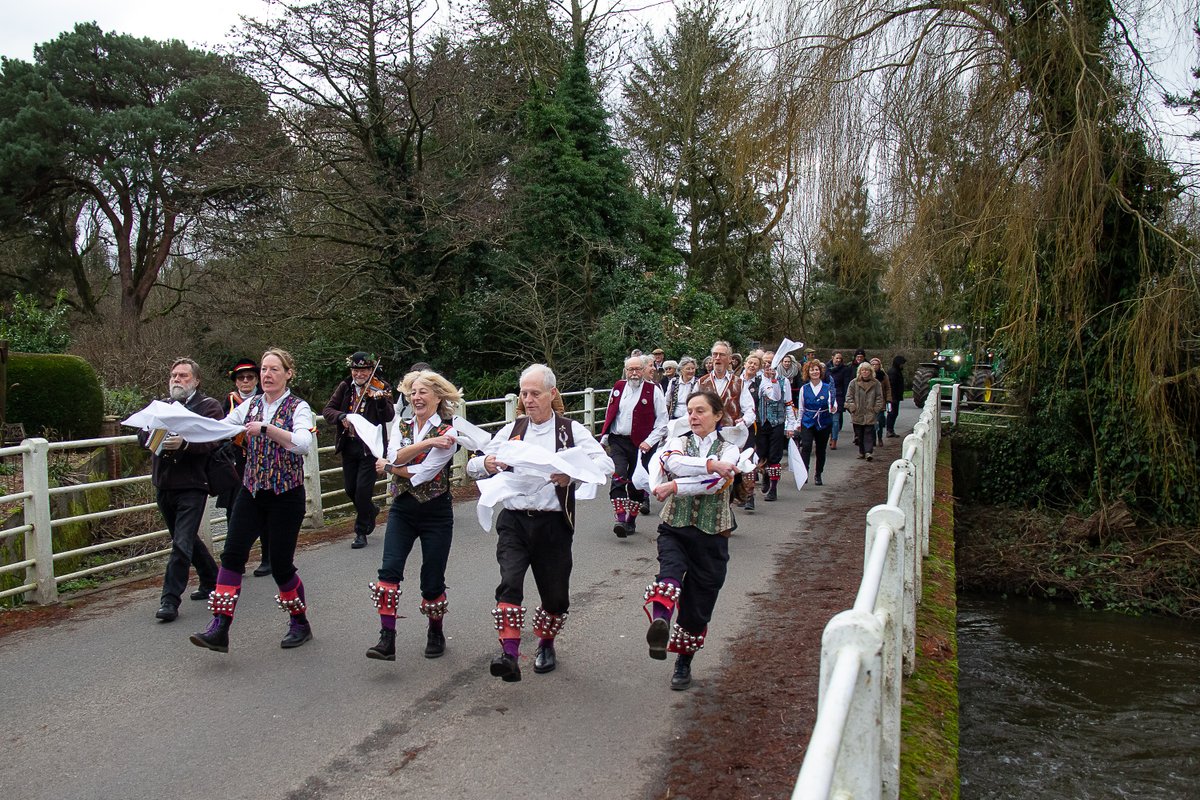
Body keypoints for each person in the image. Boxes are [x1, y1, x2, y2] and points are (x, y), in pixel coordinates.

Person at [468, 364, 614, 682]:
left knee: (556, 598)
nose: (528, 399)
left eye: (535, 393)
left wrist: (571, 473)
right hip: (514, 522)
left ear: (552, 394)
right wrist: (487, 462)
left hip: (553, 525)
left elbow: (605, 462)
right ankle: (508, 654)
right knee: (509, 583)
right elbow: (473, 465)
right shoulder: (512, 430)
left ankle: (546, 643)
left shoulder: (570, 431)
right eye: (524, 393)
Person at [190, 348, 317, 653]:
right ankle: (219, 627)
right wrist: (182, 425)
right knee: (232, 555)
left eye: (274, 369)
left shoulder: (298, 407)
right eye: (263, 369)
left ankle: (299, 622)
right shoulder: (250, 405)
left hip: (286, 495)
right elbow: (221, 428)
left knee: (282, 566)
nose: (267, 375)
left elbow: (302, 444)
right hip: (252, 490)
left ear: (288, 374)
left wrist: (268, 429)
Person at [643, 389, 740, 691]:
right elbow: (677, 464)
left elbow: (714, 485)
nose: (693, 416)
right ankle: (660, 623)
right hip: (675, 527)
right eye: (690, 411)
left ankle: (683, 661)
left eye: (700, 411)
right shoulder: (676, 443)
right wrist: (710, 465)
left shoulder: (731, 450)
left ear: (717, 415)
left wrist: (674, 486)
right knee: (669, 576)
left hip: (712, 536)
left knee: (698, 606)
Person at [366, 370, 461, 661]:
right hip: (403, 509)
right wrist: (427, 444)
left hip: (436, 512)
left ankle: (435, 630)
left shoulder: (450, 431)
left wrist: (392, 466)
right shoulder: (402, 425)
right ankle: (387, 639)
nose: (416, 398)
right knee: (388, 572)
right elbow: (394, 456)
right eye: (413, 393)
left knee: (432, 580)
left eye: (423, 392)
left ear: (438, 396)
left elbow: (423, 474)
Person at [140, 358, 222, 623]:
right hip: (164, 483)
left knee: (181, 543)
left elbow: (213, 439)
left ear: (196, 381)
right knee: (183, 538)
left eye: (184, 376)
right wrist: (155, 437)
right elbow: (141, 435)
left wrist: (185, 444)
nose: (177, 379)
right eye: (174, 375)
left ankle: (170, 599)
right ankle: (212, 578)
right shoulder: (160, 407)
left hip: (193, 484)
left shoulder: (208, 406)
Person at [322, 351, 396, 549]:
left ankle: (361, 531)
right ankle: (370, 510)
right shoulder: (345, 387)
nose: (359, 374)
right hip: (350, 445)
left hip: (370, 447)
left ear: (371, 370)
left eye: (363, 370)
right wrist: (342, 417)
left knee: (363, 491)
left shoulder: (382, 387)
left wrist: (380, 402)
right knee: (350, 489)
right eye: (356, 370)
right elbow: (328, 410)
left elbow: (388, 416)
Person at [600, 355, 668, 537]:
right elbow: (610, 413)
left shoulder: (653, 390)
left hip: (642, 445)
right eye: (630, 369)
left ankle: (631, 520)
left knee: (636, 484)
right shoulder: (618, 387)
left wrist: (650, 441)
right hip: (618, 440)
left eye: (638, 369)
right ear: (626, 371)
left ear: (645, 369)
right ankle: (620, 518)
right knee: (618, 476)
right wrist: (604, 438)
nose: (634, 373)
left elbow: (663, 422)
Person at [221, 358, 270, 576]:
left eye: (250, 377)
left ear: (257, 379)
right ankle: (237, 559)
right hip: (237, 463)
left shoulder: (265, 400)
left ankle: (268, 557)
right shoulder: (230, 401)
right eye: (241, 378)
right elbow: (221, 427)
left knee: (266, 509)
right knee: (234, 510)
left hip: (262, 461)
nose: (245, 381)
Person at [698, 341, 756, 510]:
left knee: (729, 474)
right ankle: (712, 510)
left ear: (730, 359)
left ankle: (727, 507)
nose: (717, 358)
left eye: (722, 355)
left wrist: (743, 421)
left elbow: (750, 410)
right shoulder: (701, 382)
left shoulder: (739, 383)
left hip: (731, 437)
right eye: (715, 354)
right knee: (708, 473)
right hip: (707, 436)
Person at [753, 353, 788, 501]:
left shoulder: (782, 380)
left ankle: (773, 489)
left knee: (775, 456)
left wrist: (790, 424)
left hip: (777, 422)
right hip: (761, 422)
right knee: (762, 454)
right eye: (766, 363)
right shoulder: (757, 380)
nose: (768, 366)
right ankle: (765, 475)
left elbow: (785, 401)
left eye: (771, 363)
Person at [796, 359, 835, 485]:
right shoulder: (804, 388)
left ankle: (818, 474)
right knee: (806, 446)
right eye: (812, 370)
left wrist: (833, 407)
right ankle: (804, 473)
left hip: (823, 421)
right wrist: (798, 422)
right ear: (808, 372)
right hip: (808, 421)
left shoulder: (827, 387)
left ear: (821, 371)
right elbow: (801, 407)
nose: (815, 372)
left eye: (817, 369)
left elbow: (833, 403)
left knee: (820, 449)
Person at [845, 361, 884, 461]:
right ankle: (862, 451)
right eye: (863, 370)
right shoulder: (853, 383)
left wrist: (876, 409)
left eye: (867, 370)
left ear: (870, 371)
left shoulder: (876, 383)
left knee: (869, 433)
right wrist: (852, 406)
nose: (865, 372)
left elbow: (879, 397)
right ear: (860, 371)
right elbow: (849, 396)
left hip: (870, 412)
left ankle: (868, 452)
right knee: (859, 434)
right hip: (857, 412)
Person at [825, 352, 852, 450]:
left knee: (835, 421)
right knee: (827, 421)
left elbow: (846, 384)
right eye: (837, 358)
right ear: (832, 358)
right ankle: (827, 437)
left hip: (839, 396)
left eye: (840, 358)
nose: (838, 360)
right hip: (827, 397)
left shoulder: (845, 370)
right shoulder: (826, 369)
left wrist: (846, 399)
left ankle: (834, 439)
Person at [870, 357, 892, 445]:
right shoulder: (868, 376)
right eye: (873, 364)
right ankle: (873, 439)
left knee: (879, 421)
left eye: (877, 364)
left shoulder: (884, 376)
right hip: (870, 402)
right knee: (871, 423)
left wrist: (889, 400)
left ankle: (879, 438)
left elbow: (888, 388)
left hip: (881, 402)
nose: (875, 366)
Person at [886, 355, 906, 437]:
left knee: (894, 413)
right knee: (892, 413)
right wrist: (892, 397)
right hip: (893, 397)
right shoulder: (893, 372)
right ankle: (889, 430)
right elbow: (892, 386)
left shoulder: (896, 371)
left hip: (895, 397)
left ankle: (891, 430)